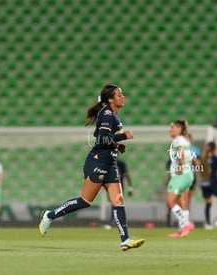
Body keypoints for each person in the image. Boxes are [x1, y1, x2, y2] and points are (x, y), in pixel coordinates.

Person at [39, 84, 145, 251]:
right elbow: (102, 138)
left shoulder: (113, 116)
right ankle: (49, 215)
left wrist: (117, 145)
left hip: (110, 163)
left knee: (118, 200)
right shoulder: (107, 114)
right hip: (98, 162)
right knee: (85, 201)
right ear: (110, 99)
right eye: (119, 94)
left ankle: (125, 240)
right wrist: (125, 136)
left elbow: (107, 139)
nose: (122, 96)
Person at [166, 120, 195, 238]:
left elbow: (181, 153)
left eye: (172, 127)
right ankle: (181, 230)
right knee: (182, 203)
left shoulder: (178, 140)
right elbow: (190, 158)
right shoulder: (185, 140)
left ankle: (186, 224)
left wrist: (181, 168)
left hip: (181, 175)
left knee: (170, 202)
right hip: (188, 175)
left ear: (179, 129)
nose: (170, 130)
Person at [104, 156, 133, 229]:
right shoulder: (108, 164)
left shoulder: (121, 164)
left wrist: (130, 188)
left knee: (117, 205)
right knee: (114, 204)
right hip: (111, 187)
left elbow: (127, 176)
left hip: (119, 187)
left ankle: (115, 221)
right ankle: (115, 221)